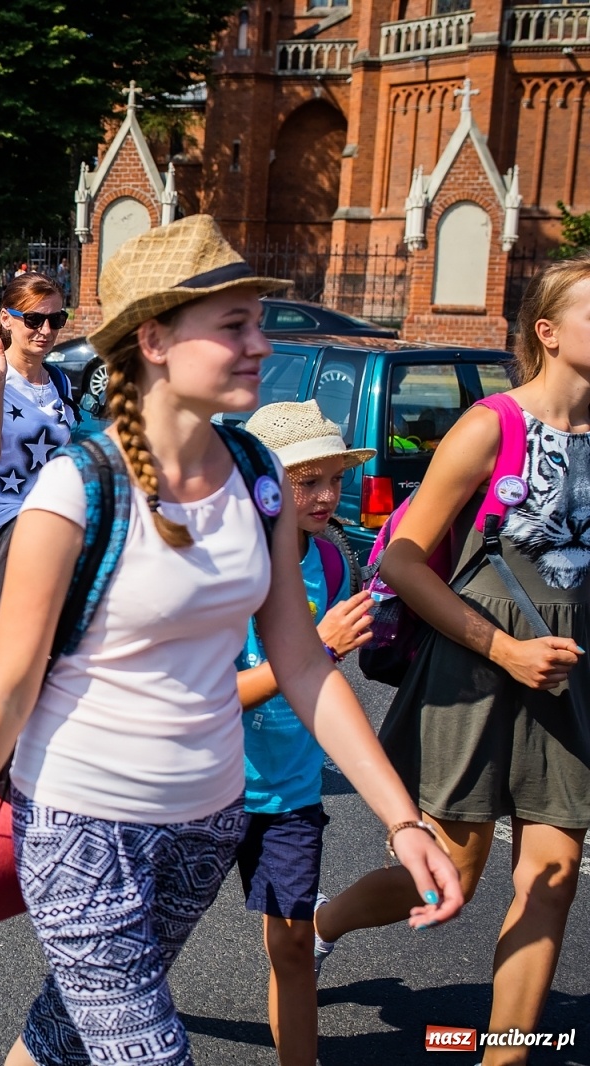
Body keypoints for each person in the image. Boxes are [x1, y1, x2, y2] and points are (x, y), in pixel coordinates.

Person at [0, 216, 463, 1066]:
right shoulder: (75, 491)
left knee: (68, 1033)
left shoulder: (257, 474)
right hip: (82, 825)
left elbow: (301, 662)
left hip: (205, 827)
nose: (259, 343)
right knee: (147, 1050)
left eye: (257, 320)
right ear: (154, 339)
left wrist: (402, 820)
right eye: (233, 325)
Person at [313, 259, 589, 1066]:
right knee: (453, 872)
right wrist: (506, 648)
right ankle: (321, 922)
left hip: (568, 673)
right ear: (547, 334)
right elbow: (399, 560)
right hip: (477, 669)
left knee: (555, 869)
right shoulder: (491, 425)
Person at [232, 401, 375, 1066]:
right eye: (306, 480)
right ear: (265, 483)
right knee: (140, 945)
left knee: (290, 946)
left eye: (333, 480)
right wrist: (315, 649)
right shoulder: (226, 570)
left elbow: (320, 685)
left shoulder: (333, 564)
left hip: (289, 793)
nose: (325, 496)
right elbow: (205, 700)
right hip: (202, 789)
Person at [0, 272, 75, 702]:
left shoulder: (59, 383)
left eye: (56, 319)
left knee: (39, 658)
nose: (45, 330)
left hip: (49, 534)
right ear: (6, 318)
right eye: (33, 319)